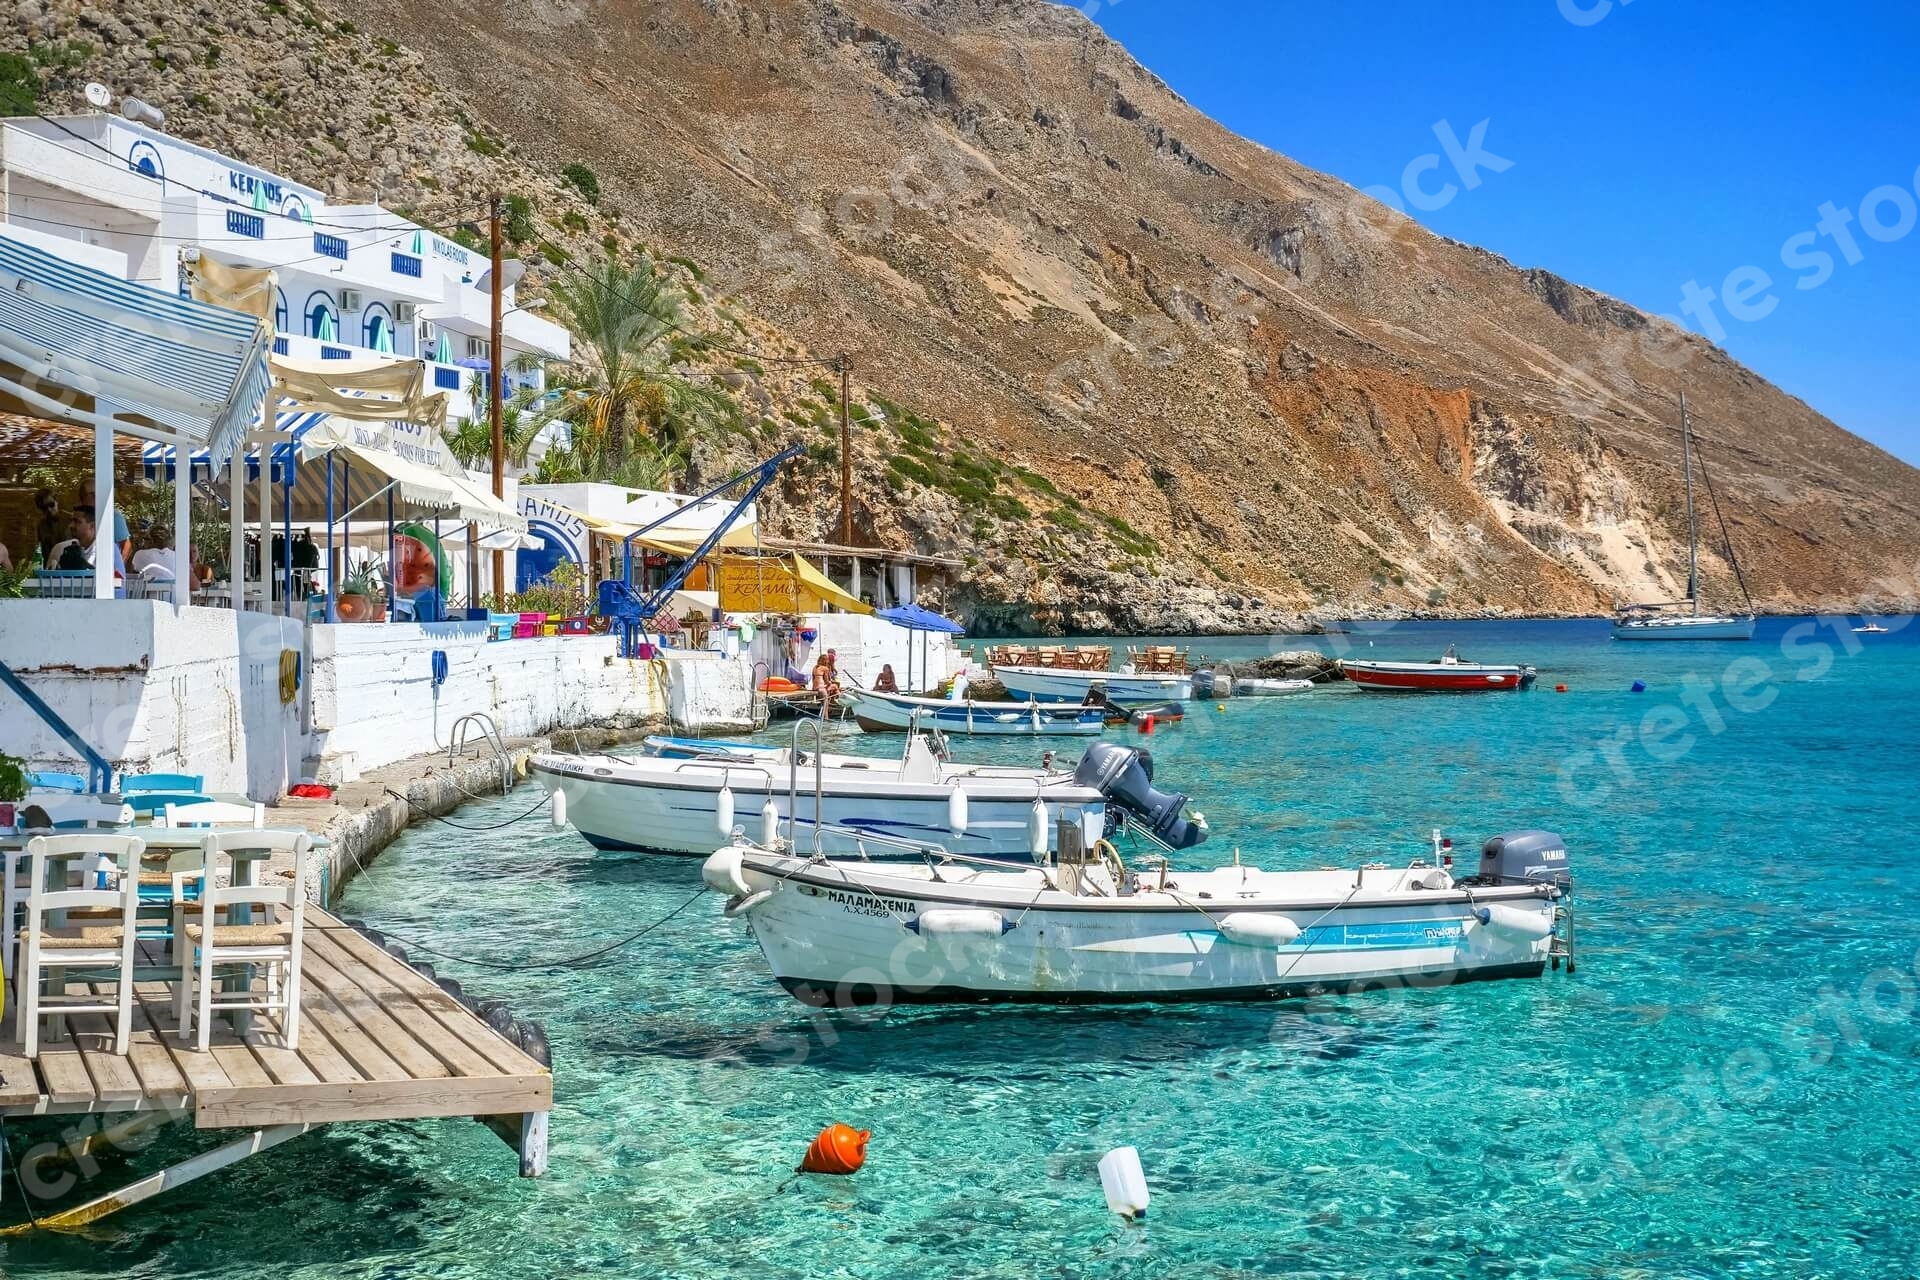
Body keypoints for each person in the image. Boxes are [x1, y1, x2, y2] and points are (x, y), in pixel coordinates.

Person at [33, 489, 62, 566]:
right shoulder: (41, 525)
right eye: (44, 507)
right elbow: (41, 553)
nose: (49, 509)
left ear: (57, 501)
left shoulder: (71, 521)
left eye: (51, 504)